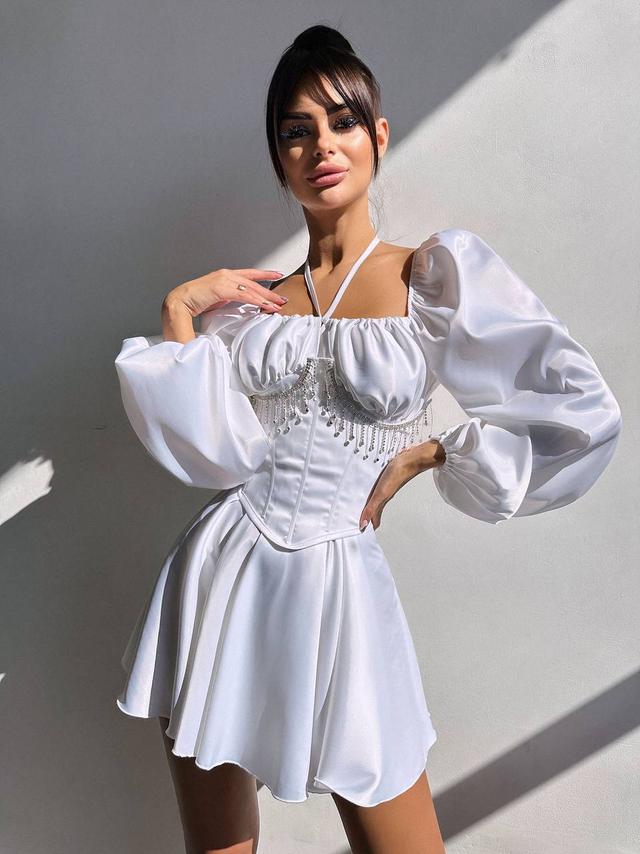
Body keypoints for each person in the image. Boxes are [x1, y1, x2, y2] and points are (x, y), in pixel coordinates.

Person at [113, 24, 622, 854]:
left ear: (378, 135)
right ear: (278, 157)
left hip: (342, 592)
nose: (321, 145)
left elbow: (579, 408)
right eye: (296, 131)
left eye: (342, 121)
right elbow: (207, 452)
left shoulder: (434, 276)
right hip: (222, 579)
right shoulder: (254, 308)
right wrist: (181, 311)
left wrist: (435, 451)